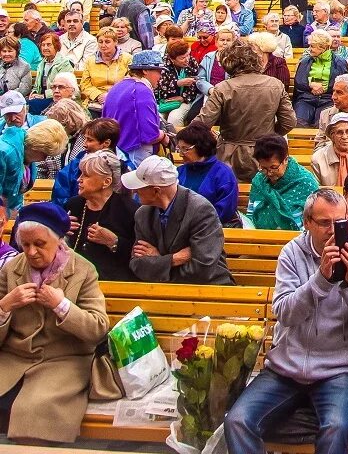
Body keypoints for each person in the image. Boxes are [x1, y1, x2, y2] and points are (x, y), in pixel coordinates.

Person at [224, 188, 348, 454]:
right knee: (237, 421)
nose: (332, 231)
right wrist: (320, 281)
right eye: (324, 223)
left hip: (340, 370)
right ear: (307, 222)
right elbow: (284, 312)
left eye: (339, 223)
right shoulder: (292, 253)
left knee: (336, 429)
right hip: (286, 367)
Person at [0, 202, 109, 444]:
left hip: (64, 361)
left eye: (39, 244)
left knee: (35, 411)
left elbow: (98, 328)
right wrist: (5, 306)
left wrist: (62, 306)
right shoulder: (11, 269)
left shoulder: (82, 270)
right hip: (13, 359)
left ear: (59, 242)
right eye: (25, 245)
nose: (30, 252)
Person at [193, 39, 296, 182]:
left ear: (228, 62)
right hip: (265, 155)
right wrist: (269, 135)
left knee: (228, 197)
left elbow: (201, 124)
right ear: (256, 60)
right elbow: (289, 122)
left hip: (228, 156)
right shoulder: (275, 85)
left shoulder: (223, 88)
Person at [122, 155, 233, 284]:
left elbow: (202, 270)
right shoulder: (143, 213)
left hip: (209, 289)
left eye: (139, 186)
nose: (135, 191)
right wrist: (173, 259)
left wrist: (158, 263)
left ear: (156, 191)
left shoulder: (201, 210)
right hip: (162, 291)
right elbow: (137, 265)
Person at [65, 150, 139, 281]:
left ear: (106, 182)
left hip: (116, 284)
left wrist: (114, 242)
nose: (79, 179)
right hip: (75, 280)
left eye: (86, 175)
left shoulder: (130, 211)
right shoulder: (74, 205)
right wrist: (60, 230)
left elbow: (141, 255)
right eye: (80, 174)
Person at [101, 50, 169, 165]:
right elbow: (149, 135)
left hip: (114, 152)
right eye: (158, 71)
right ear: (145, 70)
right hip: (134, 155)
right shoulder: (142, 91)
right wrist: (163, 135)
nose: (160, 76)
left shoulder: (118, 86)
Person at [174, 122, 240, 227]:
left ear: (201, 147)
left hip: (212, 230)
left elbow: (224, 211)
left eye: (185, 149)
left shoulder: (223, 174)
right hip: (180, 229)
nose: (181, 154)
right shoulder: (179, 172)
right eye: (179, 149)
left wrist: (194, 225)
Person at [293, 30, 348, 127]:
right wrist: (310, 85)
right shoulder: (305, 61)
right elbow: (298, 81)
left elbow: (345, 84)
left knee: (322, 124)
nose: (309, 49)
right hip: (306, 98)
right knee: (299, 122)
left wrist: (325, 88)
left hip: (329, 99)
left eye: (312, 46)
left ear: (323, 47)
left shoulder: (340, 63)